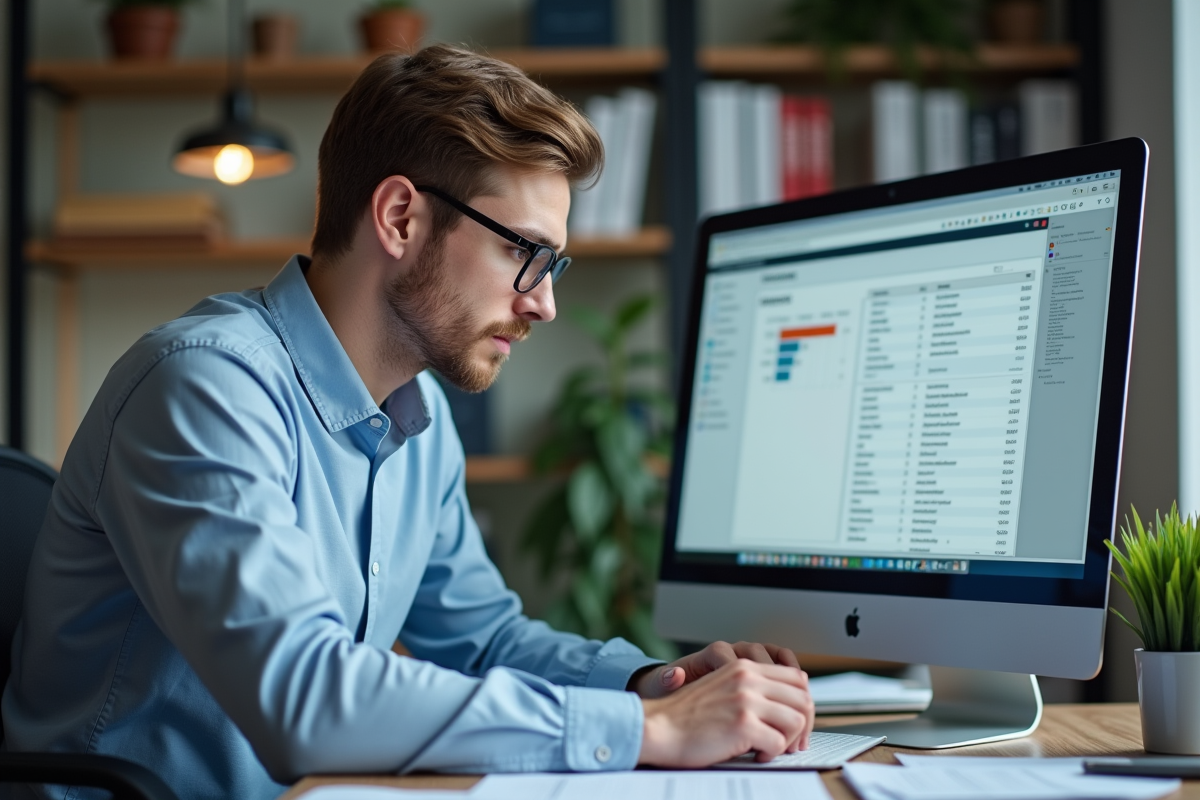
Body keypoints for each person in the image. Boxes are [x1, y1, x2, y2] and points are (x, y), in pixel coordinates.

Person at [1, 45, 814, 800]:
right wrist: (647, 733)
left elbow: (484, 640)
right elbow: (304, 699)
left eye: (553, 265)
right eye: (524, 252)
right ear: (398, 217)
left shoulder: (416, 419)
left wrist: (656, 687)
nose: (544, 302)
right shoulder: (203, 388)